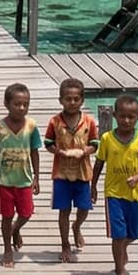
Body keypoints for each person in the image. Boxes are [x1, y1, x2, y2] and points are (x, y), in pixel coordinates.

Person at [0, 82, 41, 268]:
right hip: (4, 180)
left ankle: (16, 230)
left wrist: (37, 177)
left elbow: (35, 151)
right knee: (6, 216)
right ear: (7, 104)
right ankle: (7, 249)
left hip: (24, 179)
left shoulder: (31, 126)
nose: (21, 108)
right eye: (17, 104)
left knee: (27, 213)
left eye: (25, 104)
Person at [94, 93, 138, 275]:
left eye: (131, 117)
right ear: (114, 116)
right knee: (118, 235)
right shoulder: (107, 138)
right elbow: (99, 163)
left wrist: (137, 177)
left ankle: (123, 249)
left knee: (135, 233)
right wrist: (93, 186)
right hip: (114, 195)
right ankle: (119, 273)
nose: (126, 120)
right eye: (122, 116)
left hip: (135, 195)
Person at [43, 77, 97, 260]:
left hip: (82, 173)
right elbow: (48, 143)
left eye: (76, 99)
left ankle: (77, 227)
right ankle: (65, 243)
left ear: (82, 100)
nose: (72, 102)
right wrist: (60, 153)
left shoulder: (89, 122)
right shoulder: (55, 122)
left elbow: (95, 144)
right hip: (62, 173)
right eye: (68, 99)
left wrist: (85, 151)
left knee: (84, 208)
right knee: (63, 210)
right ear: (61, 100)